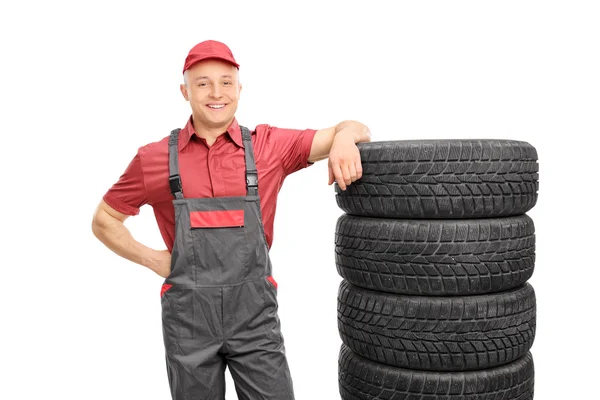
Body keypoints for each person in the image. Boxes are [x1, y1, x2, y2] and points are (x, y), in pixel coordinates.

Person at [91, 39, 371, 400]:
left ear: (239, 88)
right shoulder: (154, 158)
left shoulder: (269, 146)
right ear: (185, 91)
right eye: (203, 83)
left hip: (254, 319)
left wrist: (345, 137)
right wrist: (154, 258)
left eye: (226, 82)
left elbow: (353, 126)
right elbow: (105, 220)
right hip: (189, 321)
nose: (216, 92)